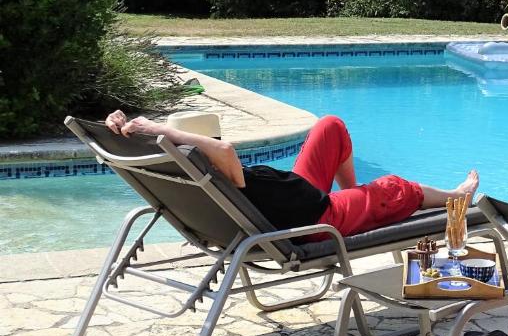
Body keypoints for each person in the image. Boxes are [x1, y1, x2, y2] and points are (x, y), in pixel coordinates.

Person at [103, 109, 478, 238]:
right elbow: (224, 149)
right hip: (316, 220)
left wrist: (120, 127)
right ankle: (456, 198)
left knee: (330, 126)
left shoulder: (193, 172)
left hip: (303, 198)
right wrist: (159, 129)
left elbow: (213, 149)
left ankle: (358, 197)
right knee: (394, 187)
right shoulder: (222, 171)